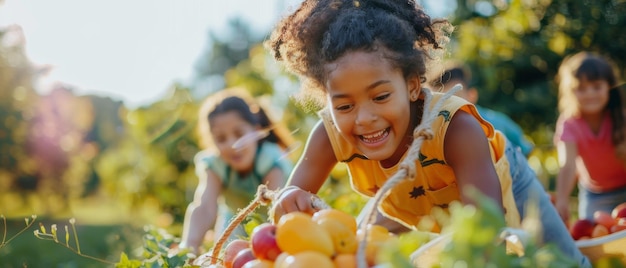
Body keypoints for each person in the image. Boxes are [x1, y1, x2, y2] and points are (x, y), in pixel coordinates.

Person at [264, 0, 590, 266]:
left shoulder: (456, 129)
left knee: (565, 262)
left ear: (412, 86)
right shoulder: (329, 136)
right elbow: (285, 208)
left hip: (505, 189)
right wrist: (288, 202)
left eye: (380, 97)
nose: (364, 118)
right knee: (361, 248)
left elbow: (487, 228)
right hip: (410, 202)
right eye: (344, 106)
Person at [178, 88, 294, 255]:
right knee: (226, 257)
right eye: (221, 139)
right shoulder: (215, 165)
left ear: (255, 131)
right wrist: (190, 246)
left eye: (239, 134)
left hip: (276, 220)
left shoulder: (270, 159)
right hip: (234, 221)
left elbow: (279, 209)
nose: (232, 145)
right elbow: (204, 207)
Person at [553, 51, 626, 224]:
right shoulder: (569, 123)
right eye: (581, 88)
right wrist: (562, 199)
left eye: (596, 86)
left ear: (609, 86)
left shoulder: (621, 119)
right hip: (595, 195)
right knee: (593, 236)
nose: (590, 94)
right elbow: (568, 165)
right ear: (570, 91)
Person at [429, 61, 535, 156]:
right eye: (440, 101)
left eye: (455, 98)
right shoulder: (432, 131)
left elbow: (526, 149)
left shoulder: (497, 123)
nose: (448, 106)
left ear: (472, 95)